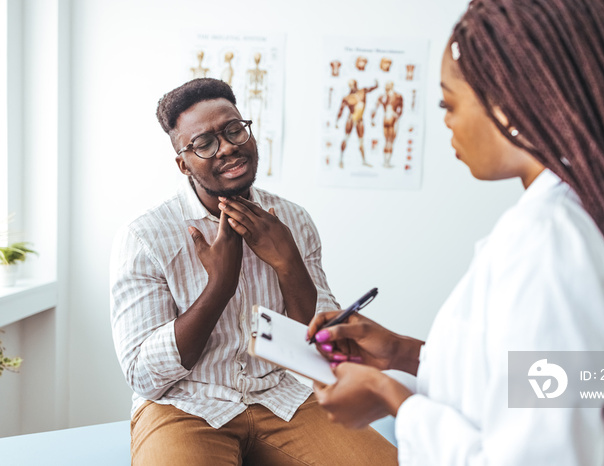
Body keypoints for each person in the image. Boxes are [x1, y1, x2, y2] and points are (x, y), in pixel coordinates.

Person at [308, 1, 604, 465]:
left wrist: (393, 400)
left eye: (447, 102)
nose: (447, 121)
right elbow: (601, 381)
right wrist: (405, 354)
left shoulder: (546, 240)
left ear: (509, 103)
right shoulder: (591, 215)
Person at [110, 78, 397, 466]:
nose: (228, 146)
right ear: (183, 163)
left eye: (234, 130)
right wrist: (220, 287)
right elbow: (145, 378)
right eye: (204, 143)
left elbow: (321, 349)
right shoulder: (146, 237)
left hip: (280, 398)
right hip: (184, 405)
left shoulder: (293, 219)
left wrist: (289, 264)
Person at [336, 79, 378, 168]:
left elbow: (371, 89)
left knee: (361, 140)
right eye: (350, 85)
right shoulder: (347, 98)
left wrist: (376, 83)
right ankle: (341, 159)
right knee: (346, 137)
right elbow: (341, 110)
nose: (352, 87)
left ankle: (364, 160)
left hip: (359, 119)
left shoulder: (362, 92)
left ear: (356, 84)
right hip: (351, 119)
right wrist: (337, 120)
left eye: (353, 84)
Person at [371, 81, 404, 168]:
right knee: (390, 141)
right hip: (391, 119)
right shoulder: (394, 96)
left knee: (387, 141)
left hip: (387, 118)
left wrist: (372, 119)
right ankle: (387, 161)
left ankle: (386, 161)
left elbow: (374, 109)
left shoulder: (390, 96)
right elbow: (400, 110)